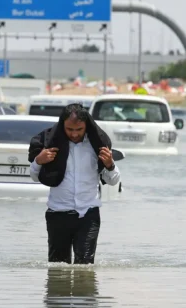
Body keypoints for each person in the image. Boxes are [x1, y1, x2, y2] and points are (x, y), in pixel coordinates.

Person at [28, 103, 121, 265]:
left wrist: (110, 165)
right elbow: (35, 177)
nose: (74, 134)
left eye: (79, 130)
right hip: (58, 214)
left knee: (85, 268)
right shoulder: (50, 145)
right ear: (62, 125)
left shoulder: (96, 146)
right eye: (69, 129)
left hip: (88, 215)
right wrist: (38, 161)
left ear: (86, 126)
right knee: (57, 269)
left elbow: (113, 181)